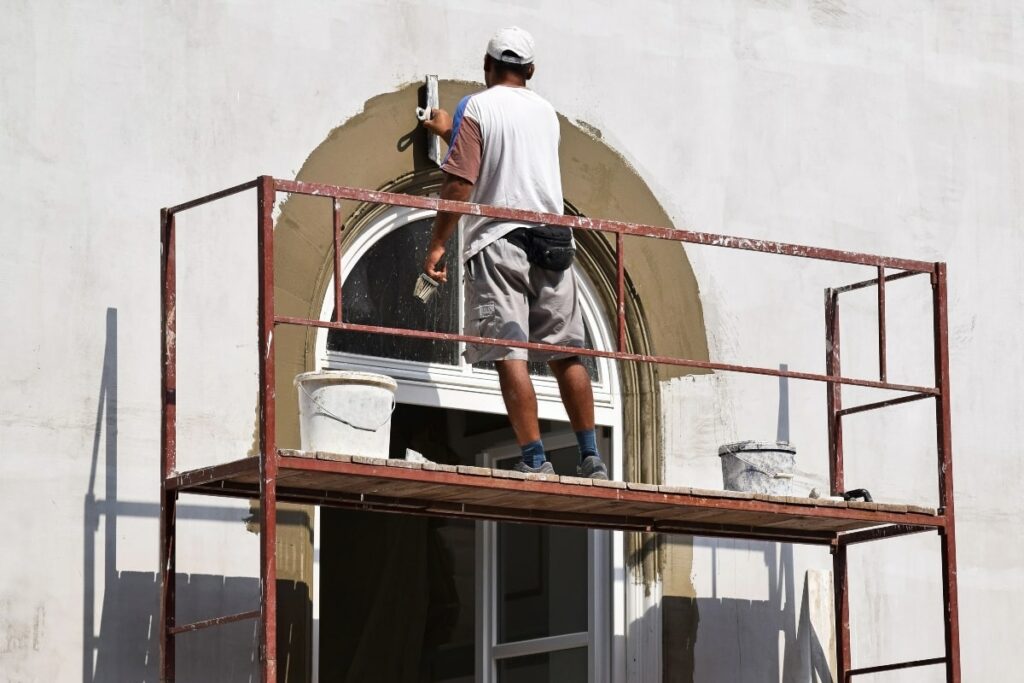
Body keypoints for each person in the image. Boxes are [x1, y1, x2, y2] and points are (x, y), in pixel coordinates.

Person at [421, 26, 609, 479]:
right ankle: (591, 458)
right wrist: (454, 134)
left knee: (510, 351)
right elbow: (515, 160)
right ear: (530, 71)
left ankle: (534, 459)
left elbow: (462, 182)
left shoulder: (479, 106)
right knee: (567, 353)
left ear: (487, 67)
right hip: (553, 240)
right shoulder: (547, 114)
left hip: (500, 239)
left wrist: (439, 243)